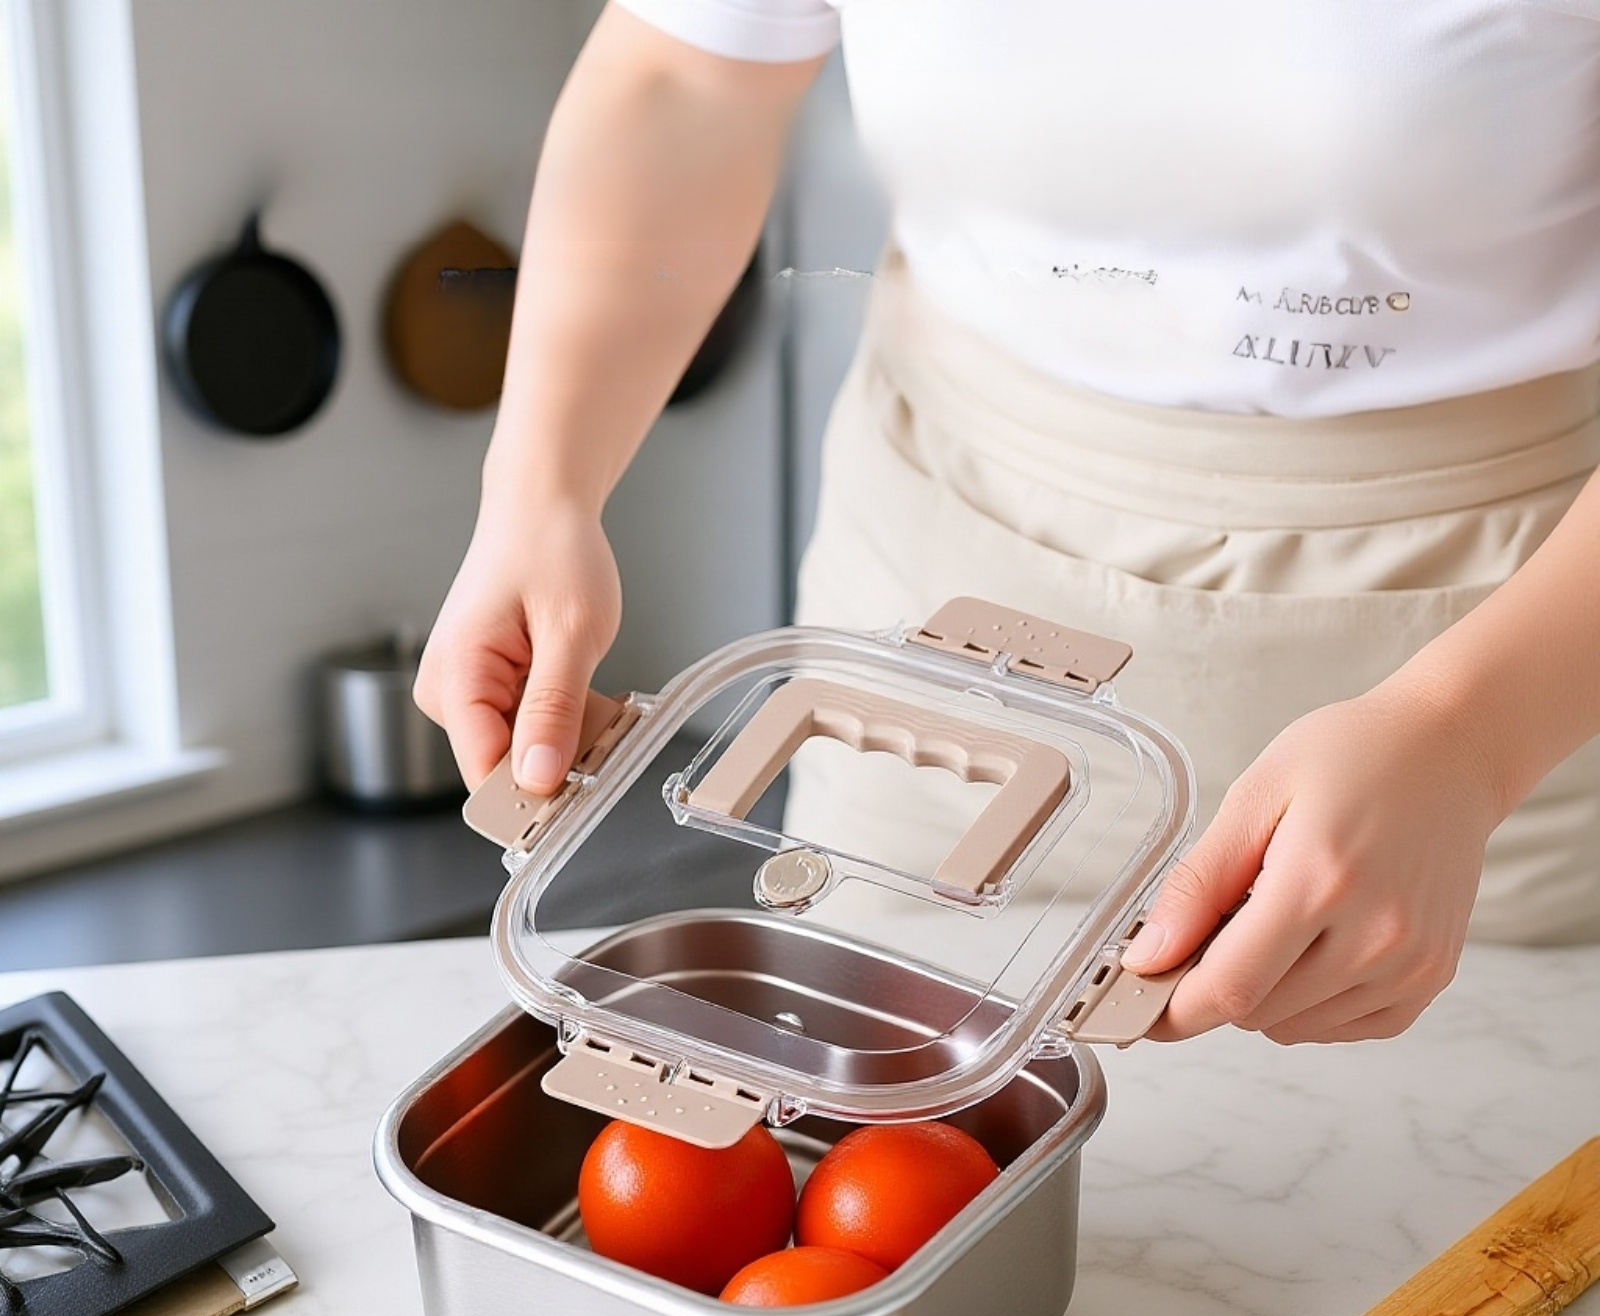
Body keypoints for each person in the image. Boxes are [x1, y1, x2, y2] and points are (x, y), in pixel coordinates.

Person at [415, 1, 1600, 1046]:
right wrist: (539, 491)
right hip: (939, 581)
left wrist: (1466, 738)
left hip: (1510, 629)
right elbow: (688, 70)